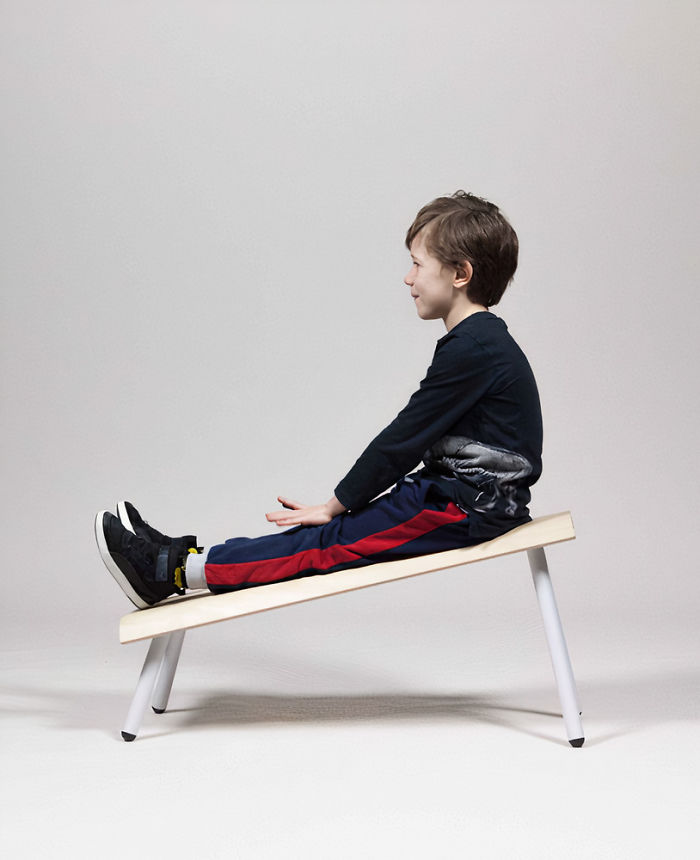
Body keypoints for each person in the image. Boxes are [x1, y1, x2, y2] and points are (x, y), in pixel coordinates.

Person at [95, 191, 543, 609]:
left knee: (328, 543)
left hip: (469, 507)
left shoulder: (475, 348)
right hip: (457, 494)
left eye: (417, 264)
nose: (408, 278)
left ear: (460, 274)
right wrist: (340, 506)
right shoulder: (478, 342)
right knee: (332, 534)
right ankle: (181, 558)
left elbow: (403, 438)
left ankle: (167, 571)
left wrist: (335, 502)